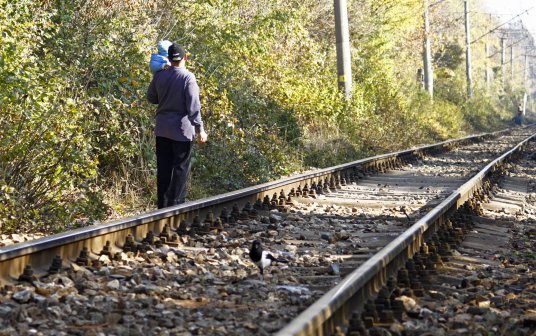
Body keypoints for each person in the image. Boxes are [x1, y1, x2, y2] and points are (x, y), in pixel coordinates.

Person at [147, 43, 208, 208]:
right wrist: (200, 129)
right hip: (182, 132)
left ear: (168, 58)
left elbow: (151, 98)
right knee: (181, 169)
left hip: (162, 129)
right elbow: (193, 107)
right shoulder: (188, 78)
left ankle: (163, 207)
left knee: (164, 169)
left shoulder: (159, 75)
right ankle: (177, 207)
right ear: (185, 57)